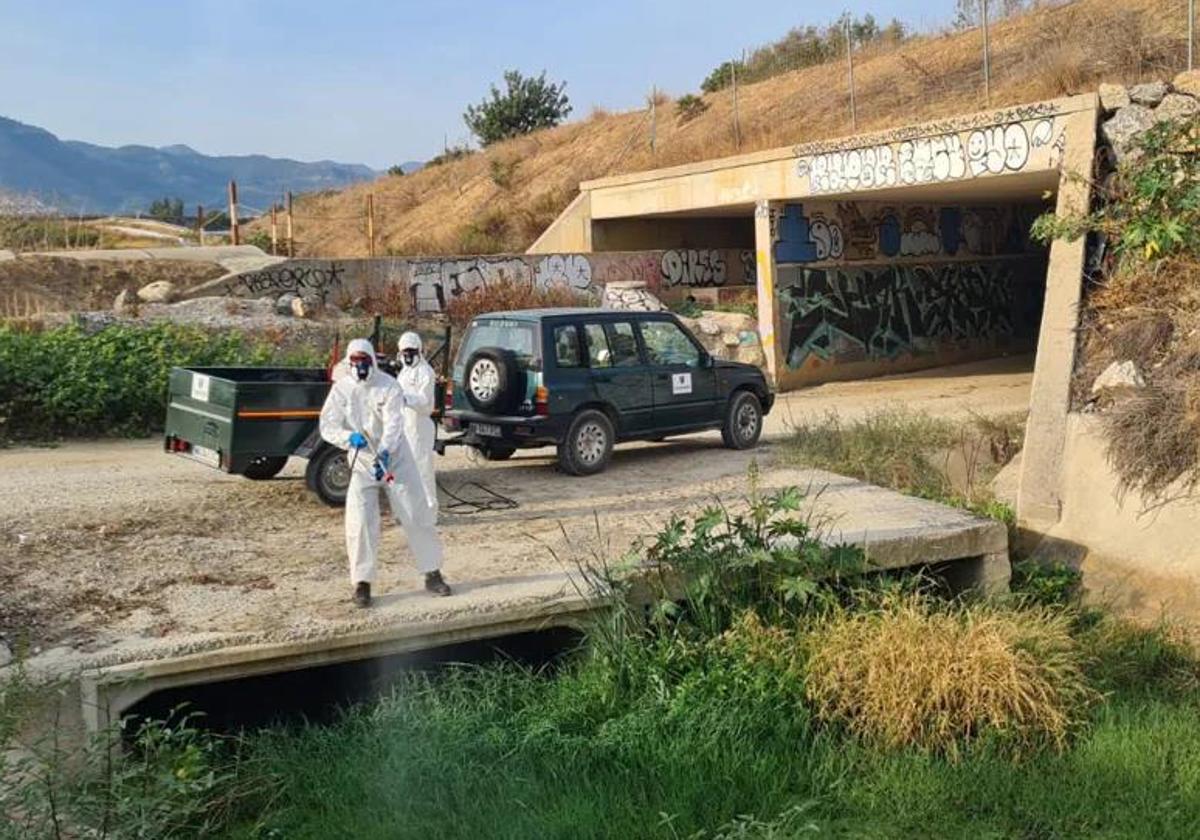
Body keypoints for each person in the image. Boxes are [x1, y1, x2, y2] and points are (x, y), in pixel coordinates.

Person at [319, 338, 451, 607]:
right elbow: (327, 425)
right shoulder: (342, 389)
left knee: (415, 512)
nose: (360, 366)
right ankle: (362, 583)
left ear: (372, 361)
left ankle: (432, 573)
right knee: (361, 523)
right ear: (349, 362)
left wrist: (387, 451)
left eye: (364, 361)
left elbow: (394, 423)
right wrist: (347, 437)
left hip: (395, 459)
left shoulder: (389, 385)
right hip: (362, 461)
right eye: (354, 361)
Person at [396, 331, 439, 515]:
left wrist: (405, 398)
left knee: (423, 471)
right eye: (404, 352)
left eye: (411, 352)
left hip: (420, 426)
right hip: (406, 426)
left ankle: (430, 512)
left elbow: (424, 400)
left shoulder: (425, 372)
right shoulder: (404, 372)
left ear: (419, 351)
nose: (407, 356)